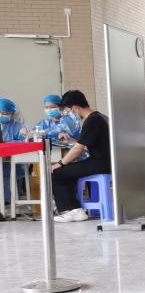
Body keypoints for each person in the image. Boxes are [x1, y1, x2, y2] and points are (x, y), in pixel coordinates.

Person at [49, 90, 112, 222]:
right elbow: (89, 145)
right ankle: (75, 207)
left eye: (69, 111)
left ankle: (73, 210)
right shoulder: (101, 117)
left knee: (57, 173)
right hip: (106, 161)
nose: (69, 114)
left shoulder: (92, 120)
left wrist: (60, 163)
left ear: (75, 108)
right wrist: (72, 141)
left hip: (100, 163)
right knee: (69, 171)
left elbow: (78, 149)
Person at [1, 97, 29, 208]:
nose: (2, 115)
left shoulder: (19, 127)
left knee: (5, 170)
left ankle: (6, 200)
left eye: (5, 113)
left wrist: (8, 144)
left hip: (13, 162)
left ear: (12, 114)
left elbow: (24, 142)